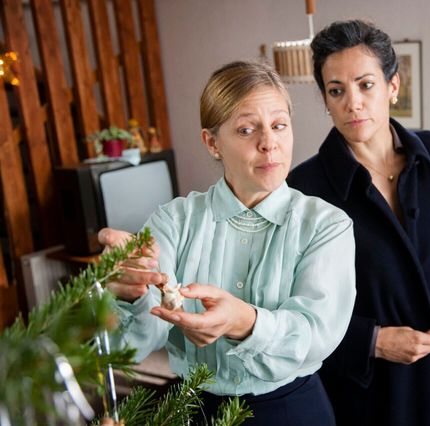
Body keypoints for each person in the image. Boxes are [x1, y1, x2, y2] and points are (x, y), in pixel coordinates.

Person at [100, 61, 356, 425]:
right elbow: (135, 343)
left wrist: (245, 322)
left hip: (291, 411)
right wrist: (131, 292)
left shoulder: (326, 225)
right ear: (212, 143)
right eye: (247, 129)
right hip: (191, 410)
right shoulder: (173, 222)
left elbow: (316, 334)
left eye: (279, 125)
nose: (269, 143)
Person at [286, 20, 430, 425]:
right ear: (325, 99)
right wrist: (372, 341)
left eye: (366, 85)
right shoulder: (304, 189)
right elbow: (290, 311)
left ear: (393, 86)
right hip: (363, 391)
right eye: (336, 91)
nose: (353, 103)